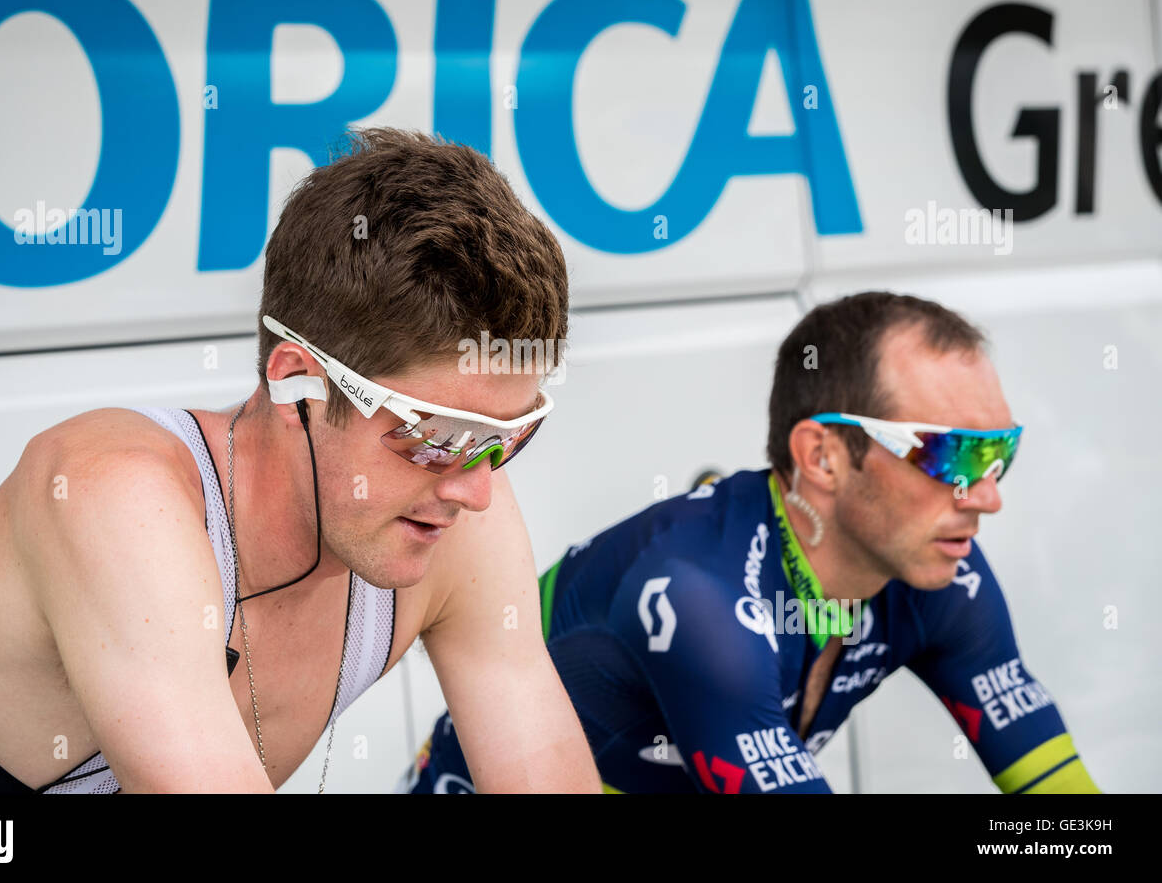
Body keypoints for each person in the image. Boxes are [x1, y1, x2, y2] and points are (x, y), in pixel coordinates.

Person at [0, 127, 599, 794]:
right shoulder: (113, 495)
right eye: (441, 436)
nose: (476, 489)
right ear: (296, 384)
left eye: (510, 438)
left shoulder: (459, 517)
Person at [402, 292, 1100, 794]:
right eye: (953, 457)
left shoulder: (943, 570)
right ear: (823, 457)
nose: (988, 496)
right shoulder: (699, 591)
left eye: (1000, 453)